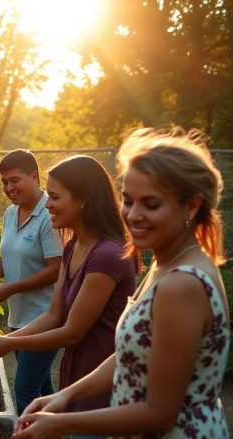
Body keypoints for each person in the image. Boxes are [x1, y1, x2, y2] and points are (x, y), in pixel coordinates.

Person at [13, 129, 229, 438]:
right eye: (127, 201)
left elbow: (160, 413)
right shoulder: (168, 264)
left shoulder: (181, 285)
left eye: (151, 204)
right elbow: (132, 352)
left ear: (191, 206)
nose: (134, 215)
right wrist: (64, 396)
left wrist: (61, 422)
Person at [0, 155, 138, 429]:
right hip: (78, 378)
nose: (48, 204)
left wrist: (11, 343)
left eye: (54, 197)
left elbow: (72, 330)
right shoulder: (72, 246)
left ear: (84, 199)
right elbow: (55, 315)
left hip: (103, 383)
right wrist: (7, 337)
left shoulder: (106, 255)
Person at [0, 149, 63, 414]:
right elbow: (6, 261)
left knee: (25, 388)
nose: (8, 187)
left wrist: (10, 289)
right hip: (19, 318)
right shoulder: (10, 213)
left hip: (45, 318)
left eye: (14, 180)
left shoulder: (49, 215)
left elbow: (55, 269)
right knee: (41, 387)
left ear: (33, 176)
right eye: (4, 182)